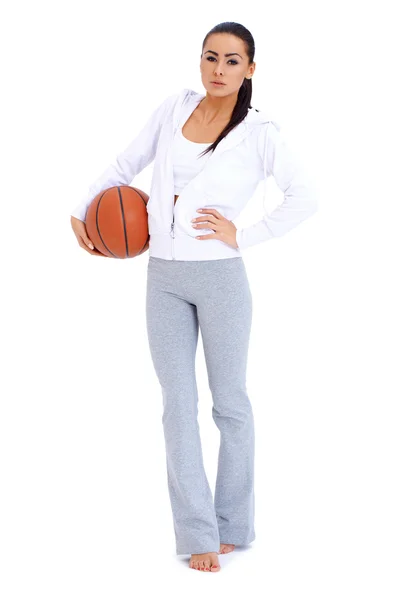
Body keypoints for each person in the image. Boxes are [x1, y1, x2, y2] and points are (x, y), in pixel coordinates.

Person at [70, 21, 318, 572]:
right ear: (200, 61)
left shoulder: (261, 132)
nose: (219, 69)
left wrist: (245, 234)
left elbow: (307, 196)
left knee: (230, 405)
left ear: (250, 69)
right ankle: (198, 532)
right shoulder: (173, 108)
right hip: (163, 276)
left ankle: (234, 525)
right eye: (211, 57)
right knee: (176, 408)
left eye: (233, 61)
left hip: (221, 279)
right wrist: (83, 210)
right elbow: (123, 165)